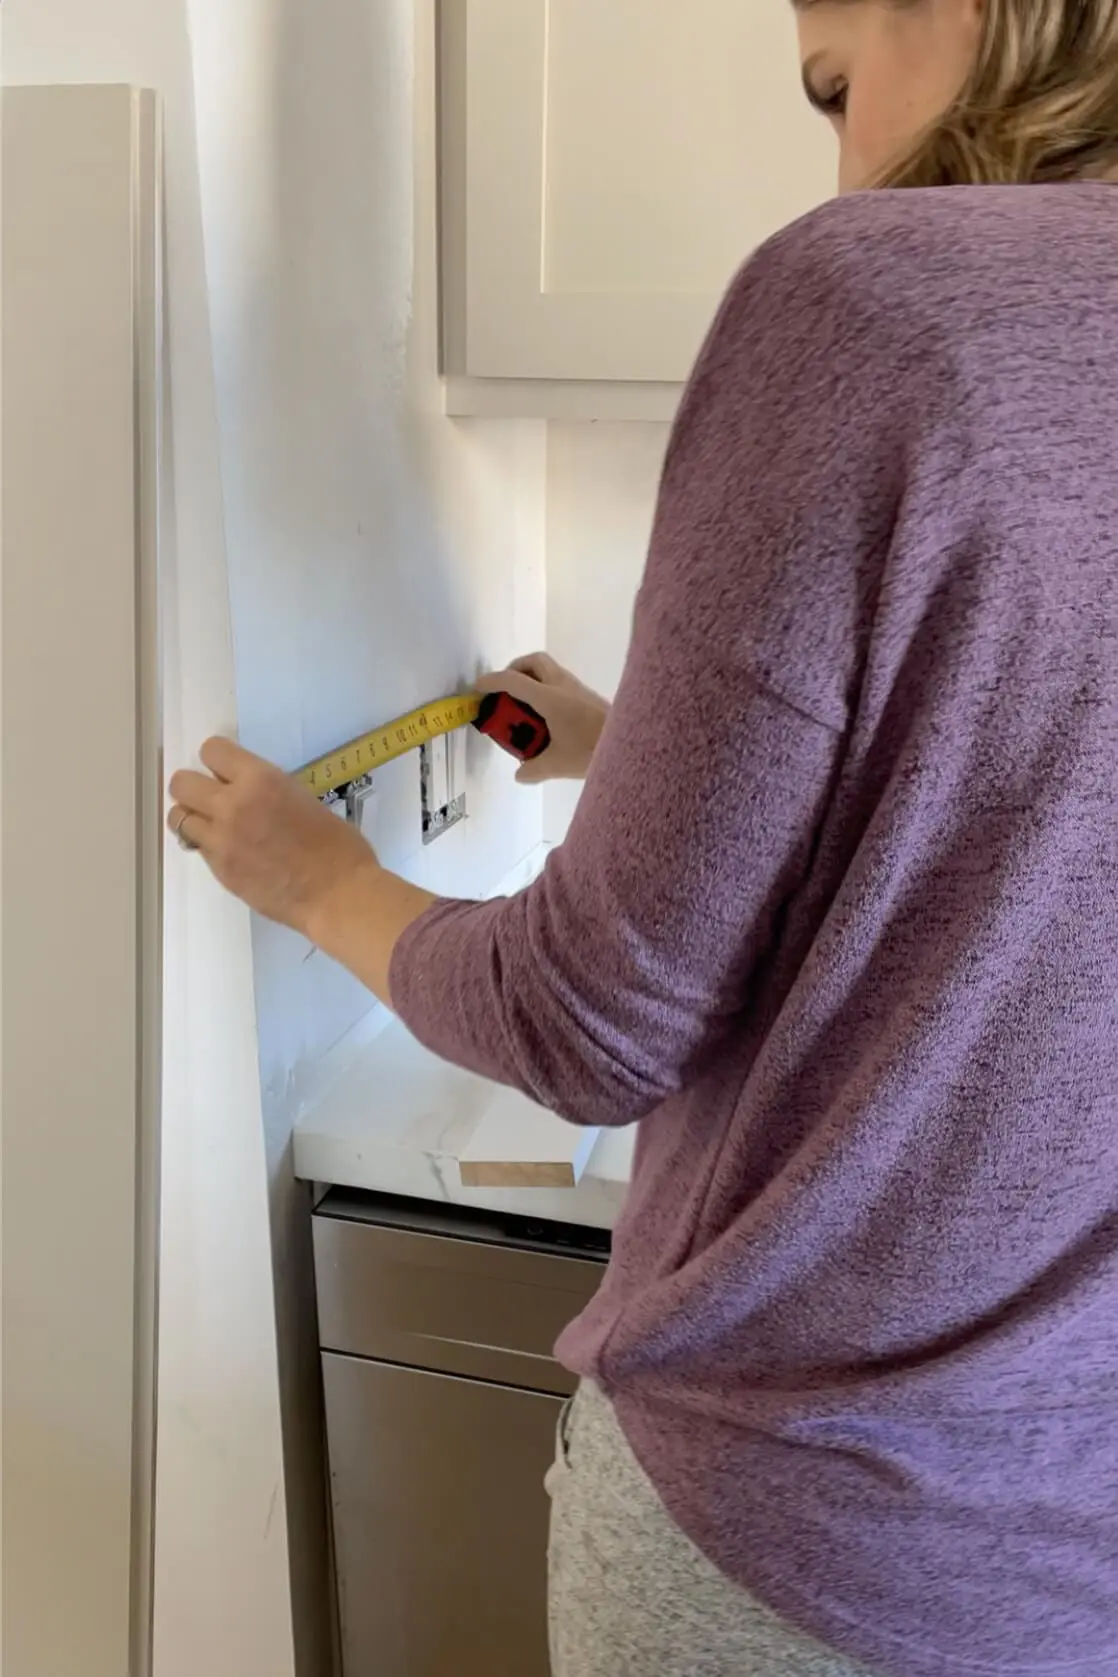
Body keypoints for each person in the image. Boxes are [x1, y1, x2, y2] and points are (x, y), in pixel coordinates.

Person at [168, 1, 1118, 1672]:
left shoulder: (876, 299)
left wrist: (315, 877)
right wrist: (644, 761)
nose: (843, 153)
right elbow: (1022, 850)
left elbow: (582, 1021)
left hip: (799, 1535)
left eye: (832, 86)